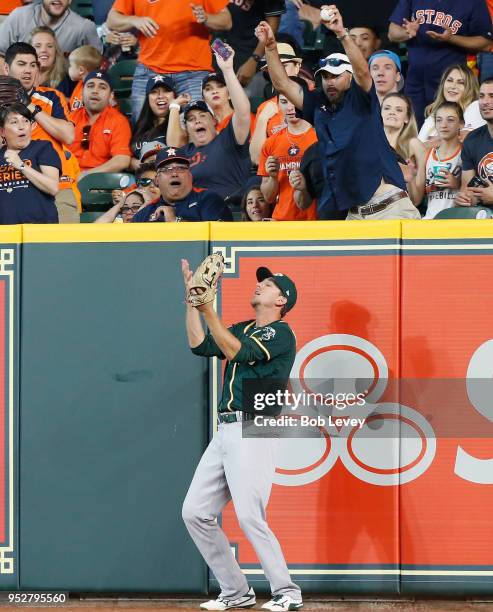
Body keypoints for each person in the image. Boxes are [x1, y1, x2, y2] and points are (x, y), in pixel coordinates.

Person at [181, 261, 303, 612]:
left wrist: (209, 309)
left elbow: (239, 352)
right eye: (261, 282)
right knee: (195, 512)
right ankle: (236, 592)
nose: (260, 285)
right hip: (227, 429)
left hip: (256, 425)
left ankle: (287, 592)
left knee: (250, 515)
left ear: (282, 300)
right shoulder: (244, 327)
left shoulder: (282, 332)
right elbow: (200, 345)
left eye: (269, 285)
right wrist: (192, 303)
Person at [256, 7, 419, 220]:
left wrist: (342, 34)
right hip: (354, 214)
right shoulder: (318, 104)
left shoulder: (362, 98)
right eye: (324, 76)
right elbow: (283, 84)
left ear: (349, 78)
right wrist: (269, 47)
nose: (329, 81)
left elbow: (362, 71)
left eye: (336, 76)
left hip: (389, 208)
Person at [106, 0, 232, 121]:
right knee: (142, 131)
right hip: (149, 70)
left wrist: (207, 18)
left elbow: (226, 21)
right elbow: (112, 20)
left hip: (194, 72)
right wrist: (134, 20)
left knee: (198, 128)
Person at [3, 42, 81, 223]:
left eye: (33, 65)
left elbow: (68, 136)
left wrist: (31, 107)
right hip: (9, 185)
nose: (28, 70)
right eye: (21, 64)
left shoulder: (52, 97)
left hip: (57, 189)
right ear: (6, 68)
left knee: (65, 248)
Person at [388, 0, 492, 126]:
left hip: (451, 86)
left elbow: (485, 43)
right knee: (413, 132)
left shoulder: (473, 2)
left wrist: (451, 38)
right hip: (415, 81)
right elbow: (392, 33)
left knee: (446, 132)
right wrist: (407, 33)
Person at [171, 44, 251, 204]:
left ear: (214, 121)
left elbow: (242, 112)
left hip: (228, 209)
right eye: (191, 119)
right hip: (192, 214)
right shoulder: (185, 152)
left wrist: (228, 70)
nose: (197, 120)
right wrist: (174, 107)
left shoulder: (227, 140)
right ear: (186, 128)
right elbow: (172, 146)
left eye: (202, 115)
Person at [257, 92, 318, 220]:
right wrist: (273, 177)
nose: (290, 107)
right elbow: (268, 197)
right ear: (278, 106)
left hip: (317, 220)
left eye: (294, 101)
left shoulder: (320, 137)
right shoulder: (271, 143)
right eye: (284, 102)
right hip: (282, 221)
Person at [132, 147, 233, 222]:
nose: (175, 174)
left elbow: (217, 242)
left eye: (181, 168)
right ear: (157, 180)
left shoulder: (209, 200)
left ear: (190, 175)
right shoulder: (145, 214)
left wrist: (175, 220)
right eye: (167, 170)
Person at [0, 102, 60, 224]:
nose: (21, 126)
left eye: (25, 121)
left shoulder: (43, 148)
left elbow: (53, 188)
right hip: (5, 232)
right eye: (14, 122)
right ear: (2, 132)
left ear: (32, 126)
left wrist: (21, 165)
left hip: (39, 230)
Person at [69, 70, 132, 176]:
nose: (95, 91)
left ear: (111, 96)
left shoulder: (119, 121)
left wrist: (86, 175)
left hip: (100, 182)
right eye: (90, 86)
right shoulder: (70, 118)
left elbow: (122, 160)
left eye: (102, 87)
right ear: (81, 93)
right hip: (67, 178)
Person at [0, 0, 102, 60]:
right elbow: (1, 55)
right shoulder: (19, 17)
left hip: (62, 91)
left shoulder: (84, 28)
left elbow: (97, 65)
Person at [413, 102, 463, 218]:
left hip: (457, 221)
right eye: (439, 120)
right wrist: (411, 178)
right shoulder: (427, 155)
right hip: (430, 221)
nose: (443, 125)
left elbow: (475, 192)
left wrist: (457, 184)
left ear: (461, 124)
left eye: (450, 120)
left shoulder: (466, 152)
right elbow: (416, 200)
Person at [221, 0, 285, 86]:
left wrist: (254, 59)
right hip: (221, 47)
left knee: (242, 95)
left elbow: (271, 29)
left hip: (247, 55)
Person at [130, 75, 185, 171]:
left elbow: (175, 146)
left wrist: (174, 107)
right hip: (142, 181)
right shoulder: (138, 126)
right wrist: (134, 163)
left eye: (166, 91)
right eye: (154, 92)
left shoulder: (182, 121)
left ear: (174, 96)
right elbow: (126, 156)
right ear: (148, 98)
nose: (160, 96)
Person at [418, 64, 484, 144]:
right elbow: (419, 145)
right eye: (449, 80)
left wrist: (435, 142)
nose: (453, 86)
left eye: (461, 82)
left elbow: (466, 139)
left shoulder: (475, 107)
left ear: (469, 88)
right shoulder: (433, 115)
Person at [381, 92, 426, 204]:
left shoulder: (414, 145)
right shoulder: (368, 144)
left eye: (399, 110)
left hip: (398, 210)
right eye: (387, 108)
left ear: (407, 118)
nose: (392, 112)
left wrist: (410, 180)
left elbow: (416, 200)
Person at [456, 78, 493, 207]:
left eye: (492, 96)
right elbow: (467, 190)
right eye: (481, 96)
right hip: (483, 218)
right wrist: (468, 199)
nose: (485, 102)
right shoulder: (472, 140)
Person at [59, 45, 103, 112]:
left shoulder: (93, 90)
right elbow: (73, 103)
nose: (69, 68)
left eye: (70, 66)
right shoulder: (81, 84)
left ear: (81, 70)